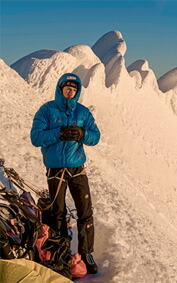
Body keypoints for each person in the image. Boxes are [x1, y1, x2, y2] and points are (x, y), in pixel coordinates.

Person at [30, 73, 100, 274]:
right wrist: (59, 133)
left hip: (77, 168)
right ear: (60, 89)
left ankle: (86, 254)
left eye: (74, 89)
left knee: (85, 211)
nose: (70, 92)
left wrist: (82, 134)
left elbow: (95, 136)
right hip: (55, 170)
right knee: (57, 212)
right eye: (67, 88)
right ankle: (63, 252)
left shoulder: (83, 112)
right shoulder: (47, 110)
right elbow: (36, 137)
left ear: (77, 91)